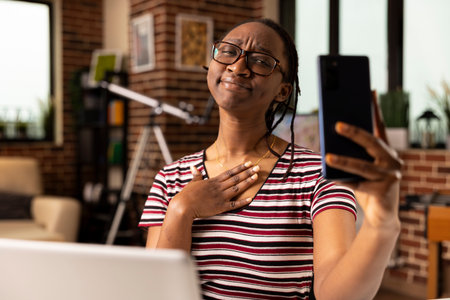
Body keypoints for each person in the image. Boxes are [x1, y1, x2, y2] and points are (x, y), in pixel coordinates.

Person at [139, 18, 402, 300]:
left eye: (262, 61)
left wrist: (381, 224)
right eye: (229, 51)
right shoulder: (171, 178)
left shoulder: (317, 176)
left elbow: (335, 295)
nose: (238, 67)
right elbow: (156, 292)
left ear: (283, 90)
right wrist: (182, 210)